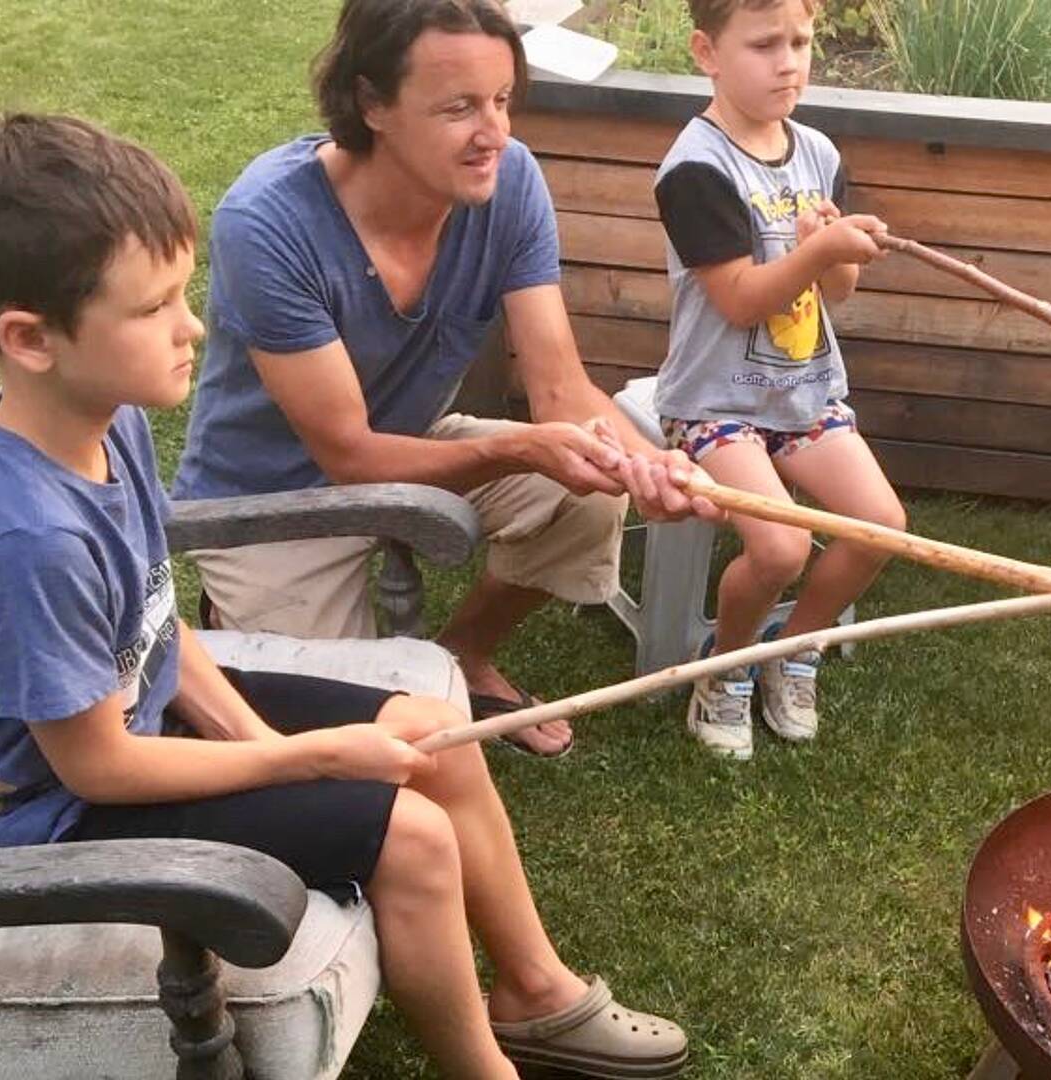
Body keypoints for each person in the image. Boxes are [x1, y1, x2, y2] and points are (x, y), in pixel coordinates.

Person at [0, 113, 688, 1080]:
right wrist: (306, 758)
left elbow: (151, 625)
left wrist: (266, 749)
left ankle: (534, 991)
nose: (193, 326)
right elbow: (98, 770)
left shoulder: (102, 420)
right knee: (413, 835)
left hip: (126, 737)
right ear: (30, 338)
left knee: (433, 732)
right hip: (37, 821)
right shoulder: (25, 537)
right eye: (152, 309)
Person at [171, 0, 711, 758]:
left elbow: (561, 391)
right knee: (354, 739)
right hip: (270, 497)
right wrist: (522, 449)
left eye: (502, 100)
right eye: (460, 107)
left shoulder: (509, 181)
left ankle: (463, 652)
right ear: (371, 104)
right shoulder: (268, 223)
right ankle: (240, 634)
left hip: (413, 441)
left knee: (585, 497)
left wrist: (645, 463)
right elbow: (349, 459)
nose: (495, 133)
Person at [654, 0, 907, 760]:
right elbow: (736, 302)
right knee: (779, 551)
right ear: (708, 51)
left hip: (802, 394)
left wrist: (832, 253)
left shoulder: (819, 153)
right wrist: (814, 248)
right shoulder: (695, 169)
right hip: (715, 401)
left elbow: (837, 294)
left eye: (800, 42)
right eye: (764, 44)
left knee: (880, 527)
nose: (788, 61)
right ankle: (724, 670)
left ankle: (791, 651)